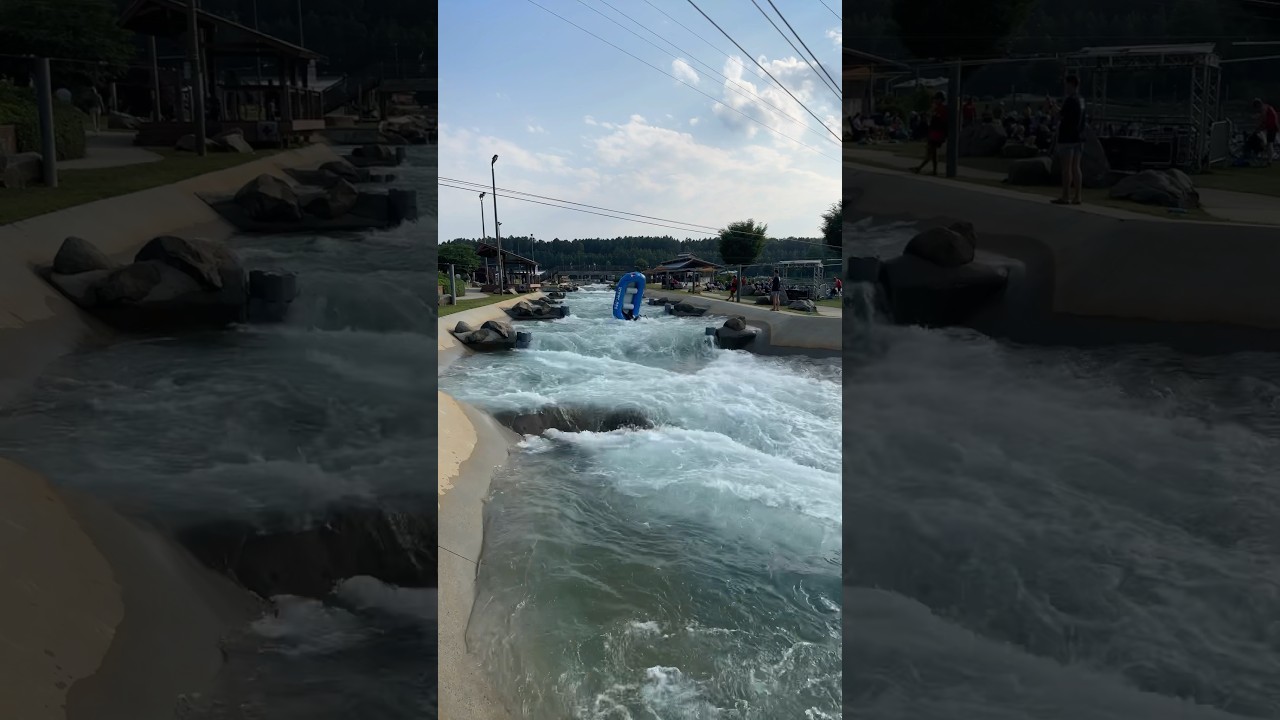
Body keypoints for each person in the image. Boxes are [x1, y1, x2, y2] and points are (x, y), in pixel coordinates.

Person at [1053, 74, 1085, 206]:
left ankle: (1065, 196)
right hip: (1079, 137)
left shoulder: (1069, 100)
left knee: (1066, 169)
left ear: (1071, 84)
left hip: (1067, 137)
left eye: (1066, 85)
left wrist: (1054, 107)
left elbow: (1060, 116)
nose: (1065, 88)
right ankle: (1078, 196)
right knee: (1076, 168)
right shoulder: (1081, 100)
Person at [912, 92, 948, 176]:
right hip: (934, 132)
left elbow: (941, 122)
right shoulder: (937, 108)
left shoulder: (942, 109)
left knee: (930, 152)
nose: (935, 100)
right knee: (933, 153)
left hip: (937, 133)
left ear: (940, 99)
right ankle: (934, 171)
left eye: (936, 99)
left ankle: (919, 168)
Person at [1254, 98, 1278, 165]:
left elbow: (1263, 119)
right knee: (1269, 143)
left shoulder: (1264, 108)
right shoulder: (1268, 107)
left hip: (1271, 127)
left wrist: (1258, 128)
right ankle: (1268, 159)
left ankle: (1269, 160)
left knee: (1269, 144)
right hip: (1272, 127)